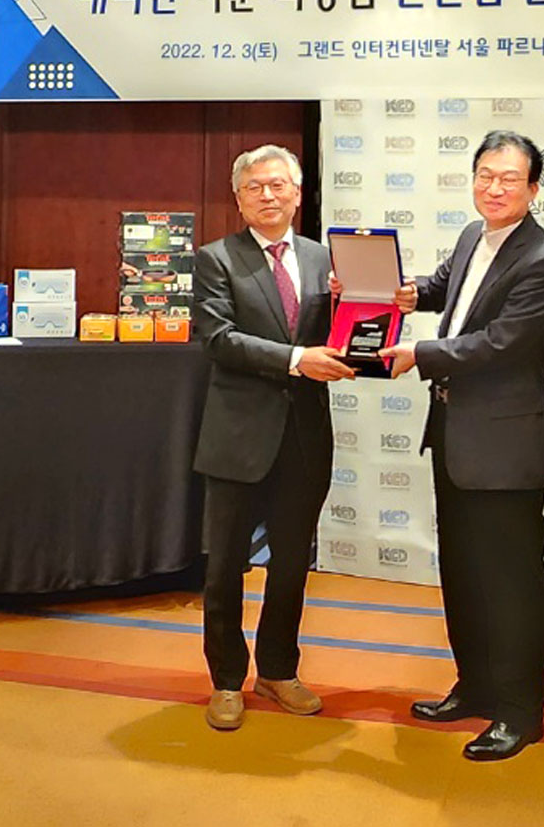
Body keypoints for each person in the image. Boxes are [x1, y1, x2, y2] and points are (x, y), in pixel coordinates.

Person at [381, 130, 544, 762]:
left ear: (533, 188)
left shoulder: (542, 258)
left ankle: (520, 711)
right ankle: (476, 686)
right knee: (462, 572)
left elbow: (502, 343)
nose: (494, 187)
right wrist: (410, 292)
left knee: (512, 581)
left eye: (509, 178)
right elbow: (448, 289)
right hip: (454, 436)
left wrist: (419, 352)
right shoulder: (472, 236)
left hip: (504, 447)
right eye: (485, 175)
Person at [193, 144, 355, 731]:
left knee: (291, 565)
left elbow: (342, 333)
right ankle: (226, 680)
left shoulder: (323, 259)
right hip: (237, 437)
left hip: (305, 437)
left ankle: (279, 670)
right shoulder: (216, 259)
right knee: (224, 569)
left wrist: (364, 309)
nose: (267, 195)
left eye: (277, 185)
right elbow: (218, 338)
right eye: (254, 187)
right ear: (238, 199)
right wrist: (295, 359)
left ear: (298, 193)